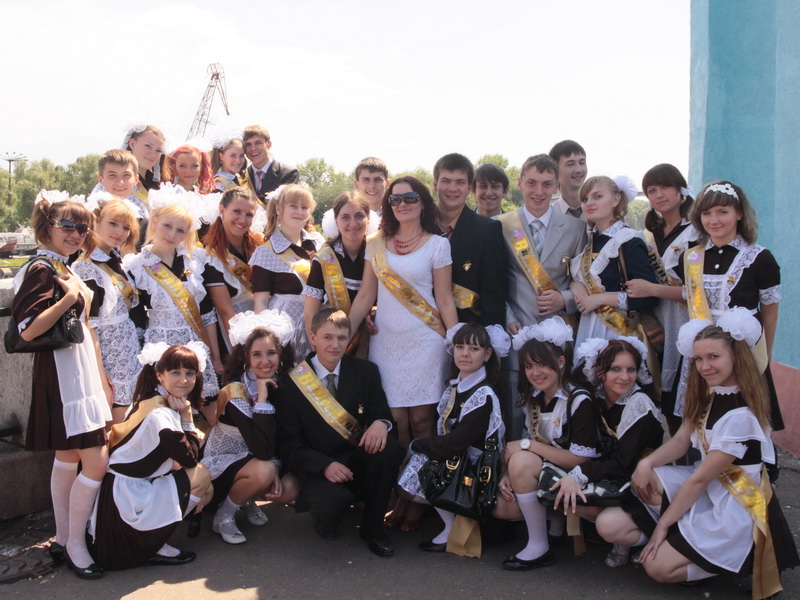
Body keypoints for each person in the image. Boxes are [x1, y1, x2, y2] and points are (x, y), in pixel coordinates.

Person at [596, 310, 798, 595]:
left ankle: (735, 561)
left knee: (657, 567)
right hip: (709, 484)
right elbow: (681, 440)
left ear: (736, 357)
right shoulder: (712, 393)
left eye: (713, 357)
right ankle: (683, 541)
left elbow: (700, 479)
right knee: (647, 482)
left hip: (735, 502)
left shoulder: (740, 414)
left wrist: (663, 526)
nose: (704, 366)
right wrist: (646, 464)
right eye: (699, 358)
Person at [11, 192, 112, 578]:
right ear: (47, 227)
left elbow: (87, 329)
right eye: (67, 226)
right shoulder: (41, 269)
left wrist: (102, 379)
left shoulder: (64, 266)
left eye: (82, 228)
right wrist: (69, 297)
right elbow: (27, 329)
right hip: (61, 372)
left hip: (81, 370)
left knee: (69, 457)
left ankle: (63, 537)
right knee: (96, 460)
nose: (76, 234)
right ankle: (75, 544)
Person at [273, 309, 404, 557]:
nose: (335, 345)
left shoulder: (366, 372)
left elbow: (383, 414)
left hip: (356, 459)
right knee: (329, 507)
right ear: (313, 338)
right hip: (320, 466)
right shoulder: (292, 382)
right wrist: (323, 465)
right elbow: (288, 445)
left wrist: (381, 423)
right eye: (328, 337)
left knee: (389, 447)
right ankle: (328, 516)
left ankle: (373, 528)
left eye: (342, 338)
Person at [349, 176, 459, 451]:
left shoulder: (438, 245)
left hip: (426, 341)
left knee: (422, 420)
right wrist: (345, 333)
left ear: (423, 202)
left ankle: (420, 473)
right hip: (386, 342)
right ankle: (398, 475)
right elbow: (366, 295)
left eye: (410, 198)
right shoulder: (375, 243)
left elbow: (445, 299)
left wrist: (456, 340)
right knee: (395, 420)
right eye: (395, 199)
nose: (402, 204)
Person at [89, 343, 214, 570]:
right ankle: (152, 544)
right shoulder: (162, 414)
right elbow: (190, 459)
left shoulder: (148, 400)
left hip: (121, 492)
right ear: (159, 375)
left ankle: (156, 535)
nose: (184, 380)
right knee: (202, 475)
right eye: (175, 372)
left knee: (205, 484)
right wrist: (187, 416)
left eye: (190, 373)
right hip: (126, 501)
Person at [673, 181, 784, 432]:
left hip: (743, 352)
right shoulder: (690, 258)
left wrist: (765, 354)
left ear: (739, 213)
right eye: (707, 213)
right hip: (702, 353)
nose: (714, 220)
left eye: (722, 212)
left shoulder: (760, 258)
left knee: (745, 421)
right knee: (700, 420)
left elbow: (770, 312)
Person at [493, 317, 597, 571]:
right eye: (529, 366)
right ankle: (554, 523)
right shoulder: (534, 396)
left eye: (542, 364)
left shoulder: (579, 399)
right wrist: (508, 474)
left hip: (579, 475)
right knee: (502, 507)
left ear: (561, 362)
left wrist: (527, 447)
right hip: (549, 470)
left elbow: (581, 458)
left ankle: (539, 546)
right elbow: (527, 442)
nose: (535, 373)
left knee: (520, 457)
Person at [550, 337, 663, 568]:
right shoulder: (598, 398)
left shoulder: (639, 402)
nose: (625, 377)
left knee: (607, 524)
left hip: (645, 484)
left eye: (631, 369)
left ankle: (651, 540)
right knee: (567, 496)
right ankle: (627, 534)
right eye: (616, 369)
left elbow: (624, 462)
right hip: (615, 477)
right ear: (600, 371)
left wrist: (579, 474)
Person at [397, 323, 509, 556]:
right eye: (460, 347)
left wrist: (416, 444)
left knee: (420, 461)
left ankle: (455, 525)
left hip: (478, 469)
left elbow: (455, 443)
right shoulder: (457, 386)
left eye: (474, 349)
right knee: (414, 468)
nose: (465, 354)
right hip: (460, 459)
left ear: (488, 354)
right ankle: (453, 523)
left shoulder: (483, 394)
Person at [500, 154, 587, 438]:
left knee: (558, 407)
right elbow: (492, 282)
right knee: (515, 407)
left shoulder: (576, 228)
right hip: (517, 331)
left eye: (547, 184)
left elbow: (584, 279)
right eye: (532, 183)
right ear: (520, 183)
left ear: (557, 186)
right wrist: (507, 316)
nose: (539, 191)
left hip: (557, 333)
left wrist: (565, 299)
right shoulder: (500, 225)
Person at [203, 310, 299, 544]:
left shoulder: (283, 382)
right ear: (246, 356)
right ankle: (223, 516)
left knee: (290, 486)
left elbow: (282, 435)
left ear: (280, 354)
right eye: (257, 354)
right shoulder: (236, 390)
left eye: (271, 353)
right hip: (223, 463)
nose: (265, 361)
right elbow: (262, 450)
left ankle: (244, 498)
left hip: (253, 456)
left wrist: (278, 465)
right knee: (264, 471)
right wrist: (262, 399)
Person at [124, 196, 222, 404]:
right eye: (167, 226)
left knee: (205, 403)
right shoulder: (136, 266)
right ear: (154, 221)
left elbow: (207, 314)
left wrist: (215, 356)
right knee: (162, 404)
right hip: (159, 345)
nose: (172, 234)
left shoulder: (195, 261)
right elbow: (136, 320)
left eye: (180, 230)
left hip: (194, 342)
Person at [625, 164, 697, 432]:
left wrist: (652, 289)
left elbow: (698, 291)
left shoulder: (697, 232)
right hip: (660, 324)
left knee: (690, 399)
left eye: (665, 187)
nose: (659, 195)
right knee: (668, 402)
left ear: (681, 190)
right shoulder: (650, 234)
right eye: (651, 190)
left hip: (688, 320)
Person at [73, 197, 143, 424]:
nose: (119, 232)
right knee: (115, 421)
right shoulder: (85, 266)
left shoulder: (116, 259)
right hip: (106, 353)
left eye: (126, 227)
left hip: (128, 348)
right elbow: (89, 324)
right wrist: (100, 375)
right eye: (113, 223)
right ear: (96, 221)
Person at [570, 176, 659, 350]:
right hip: (588, 327)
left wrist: (600, 299)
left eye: (597, 196)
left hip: (619, 333)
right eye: (585, 199)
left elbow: (648, 298)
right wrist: (576, 285)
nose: (589, 203)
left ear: (616, 199)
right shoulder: (589, 241)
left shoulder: (629, 241)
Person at [250, 184, 324, 360]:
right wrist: (266, 342)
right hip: (285, 328)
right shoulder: (265, 252)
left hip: (318, 323)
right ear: (278, 209)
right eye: (293, 206)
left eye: (304, 207)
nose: (299, 212)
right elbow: (260, 302)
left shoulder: (319, 243)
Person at [433, 153, 507, 327]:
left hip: (468, 334)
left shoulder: (487, 230)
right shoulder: (420, 225)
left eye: (460, 182)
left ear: (469, 188)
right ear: (435, 184)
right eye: (446, 181)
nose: (452, 188)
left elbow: (493, 297)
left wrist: (487, 338)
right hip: (422, 329)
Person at [303, 191, 373, 346]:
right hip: (331, 343)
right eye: (345, 217)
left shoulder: (377, 255)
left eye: (359, 216)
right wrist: (318, 351)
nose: (353, 223)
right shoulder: (324, 258)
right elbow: (310, 314)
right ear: (336, 221)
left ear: (368, 218)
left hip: (369, 340)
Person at [203, 186, 264, 353]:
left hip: (263, 324)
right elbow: (225, 311)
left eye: (249, 215)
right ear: (222, 210)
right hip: (234, 333)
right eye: (236, 212)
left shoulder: (259, 247)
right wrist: (246, 350)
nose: (242, 220)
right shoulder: (212, 256)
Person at [242, 125, 300, 202]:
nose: (253, 148)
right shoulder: (242, 176)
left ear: (269, 144)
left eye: (258, 143)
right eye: (248, 145)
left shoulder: (289, 174)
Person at [93, 149, 149, 223]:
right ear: (101, 180)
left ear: (136, 180)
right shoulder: (90, 219)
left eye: (126, 175)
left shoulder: (143, 223)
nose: (120, 182)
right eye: (112, 175)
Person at [123, 124, 166, 204]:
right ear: (132, 144)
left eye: (158, 150)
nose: (153, 154)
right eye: (148, 146)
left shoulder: (157, 185)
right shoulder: (118, 180)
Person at [549, 140, 588, 220]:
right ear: (555, 171)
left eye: (582, 163)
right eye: (570, 164)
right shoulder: (550, 216)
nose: (579, 170)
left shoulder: (602, 210)